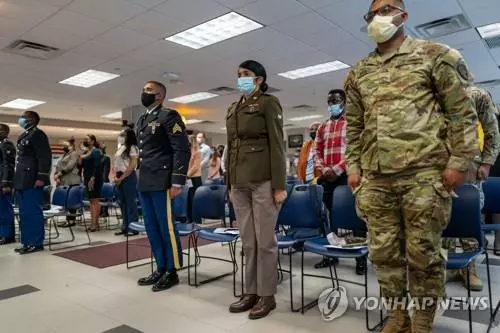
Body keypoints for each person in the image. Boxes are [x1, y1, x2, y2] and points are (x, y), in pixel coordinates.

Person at [345, 0, 478, 332]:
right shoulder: (359, 72)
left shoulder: (436, 55)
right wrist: (353, 166)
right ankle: (397, 315)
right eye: (373, 13)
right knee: (383, 254)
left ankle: (422, 318)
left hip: (424, 175)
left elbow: (461, 112)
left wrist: (459, 162)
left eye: (387, 9)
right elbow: (354, 126)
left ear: (404, 15)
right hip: (376, 179)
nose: (379, 17)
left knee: (424, 255)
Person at [226, 60, 287, 320]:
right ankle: (251, 291)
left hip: (262, 178)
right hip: (238, 181)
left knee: (265, 242)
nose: (241, 78)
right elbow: (231, 146)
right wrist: (228, 182)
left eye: (246, 74)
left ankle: (267, 295)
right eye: (239, 74)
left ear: (259, 79)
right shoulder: (233, 108)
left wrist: (279, 185)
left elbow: (277, 144)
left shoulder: (267, 103)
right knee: (248, 242)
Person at [443, 86, 500, 291]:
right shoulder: (436, 95)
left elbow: (492, 131)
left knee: (469, 215)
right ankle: (449, 265)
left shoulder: (477, 95)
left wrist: (486, 163)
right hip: (443, 165)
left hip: (471, 164)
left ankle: (470, 268)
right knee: (444, 215)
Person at [136, 80, 190, 292]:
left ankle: (172, 271)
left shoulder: (169, 116)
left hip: (163, 180)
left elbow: (181, 149)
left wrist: (177, 181)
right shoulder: (142, 119)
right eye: (144, 89)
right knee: (151, 227)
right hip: (146, 181)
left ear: (160, 96)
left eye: (149, 90)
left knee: (166, 227)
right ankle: (160, 267)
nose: (144, 92)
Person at [313, 89, 367, 276]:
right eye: (329, 101)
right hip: (327, 177)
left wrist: (336, 170)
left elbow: (356, 150)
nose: (332, 105)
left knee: (355, 217)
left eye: (335, 101)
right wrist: (323, 169)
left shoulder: (353, 124)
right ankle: (331, 255)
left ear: (344, 101)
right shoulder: (323, 126)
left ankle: (360, 258)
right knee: (329, 217)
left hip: (347, 175)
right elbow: (316, 150)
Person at [13, 111, 52, 254]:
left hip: (33, 180)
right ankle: (26, 241)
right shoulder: (24, 135)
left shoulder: (38, 134)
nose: (21, 119)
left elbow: (44, 157)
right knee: (24, 214)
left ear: (32, 120)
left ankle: (36, 243)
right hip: (22, 180)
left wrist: (41, 177)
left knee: (33, 213)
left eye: (24, 117)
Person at [114, 128, 140, 236]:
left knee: (130, 203)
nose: (121, 136)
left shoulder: (133, 147)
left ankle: (133, 228)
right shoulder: (122, 148)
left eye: (123, 134)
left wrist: (121, 178)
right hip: (119, 176)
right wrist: (116, 177)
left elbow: (132, 166)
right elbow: (117, 163)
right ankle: (125, 226)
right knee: (122, 203)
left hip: (128, 176)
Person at [54, 137, 81, 227]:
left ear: (72, 146)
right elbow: (58, 166)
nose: (64, 147)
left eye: (66, 145)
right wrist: (56, 175)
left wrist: (59, 174)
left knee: (71, 202)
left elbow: (70, 166)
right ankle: (67, 219)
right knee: (66, 202)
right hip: (63, 180)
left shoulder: (74, 154)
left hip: (72, 180)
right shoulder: (63, 155)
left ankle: (71, 221)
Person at [80, 135, 103, 232]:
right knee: (91, 201)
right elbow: (80, 165)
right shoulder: (86, 152)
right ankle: (95, 223)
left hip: (94, 178)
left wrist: (93, 178)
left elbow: (97, 166)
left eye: (87, 140)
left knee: (95, 201)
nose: (85, 141)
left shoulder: (96, 151)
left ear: (93, 141)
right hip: (87, 177)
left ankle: (94, 224)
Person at [0, 124, 16, 245]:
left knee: (5, 210)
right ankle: (2, 233)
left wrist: (6, 182)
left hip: (3, 183)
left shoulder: (6, 145)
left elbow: (8, 165)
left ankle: (8, 236)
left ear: (6, 132)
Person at [187, 135, 202, 223]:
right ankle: (190, 218)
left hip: (195, 178)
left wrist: (187, 175)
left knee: (195, 200)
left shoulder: (197, 152)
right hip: (189, 178)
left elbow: (196, 167)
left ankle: (197, 219)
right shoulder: (188, 151)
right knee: (189, 199)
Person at [100, 144, 111, 218]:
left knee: (104, 197)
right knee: (99, 197)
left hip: (104, 180)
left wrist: (103, 181)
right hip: (98, 179)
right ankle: (100, 211)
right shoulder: (98, 158)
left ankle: (105, 211)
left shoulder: (106, 158)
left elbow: (106, 171)